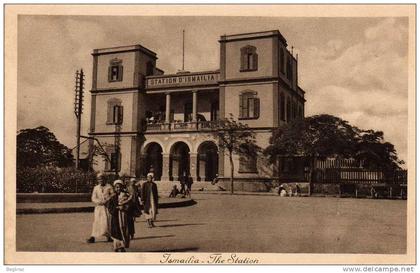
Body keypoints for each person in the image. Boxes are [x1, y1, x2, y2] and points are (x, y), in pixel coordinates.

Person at [86, 173, 114, 243]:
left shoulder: (109, 187)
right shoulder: (96, 188)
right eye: (99, 179)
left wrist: (107, 200)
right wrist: (99, 202)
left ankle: (108, 236)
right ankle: (93, 237)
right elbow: (93, 198)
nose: (101, 180)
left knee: (106, 222)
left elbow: (113, 195)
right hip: (99, 207)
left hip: (106, 207)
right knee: (97, 222)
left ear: (105, 179)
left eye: (102, 179)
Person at [108, 180, 132, 252]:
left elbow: (130, 205)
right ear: (115, 188)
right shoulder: (113, 197)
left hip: (124, 216)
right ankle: (116, 246)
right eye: (117, 187)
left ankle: (122, 246)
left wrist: (124, 208)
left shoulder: (126, 196)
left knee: (123, 230)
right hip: (115, 217)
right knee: (116, 231)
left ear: (122, 187)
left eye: (119, 187)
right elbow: (110, 208)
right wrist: (117, 208)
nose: (118, 189)